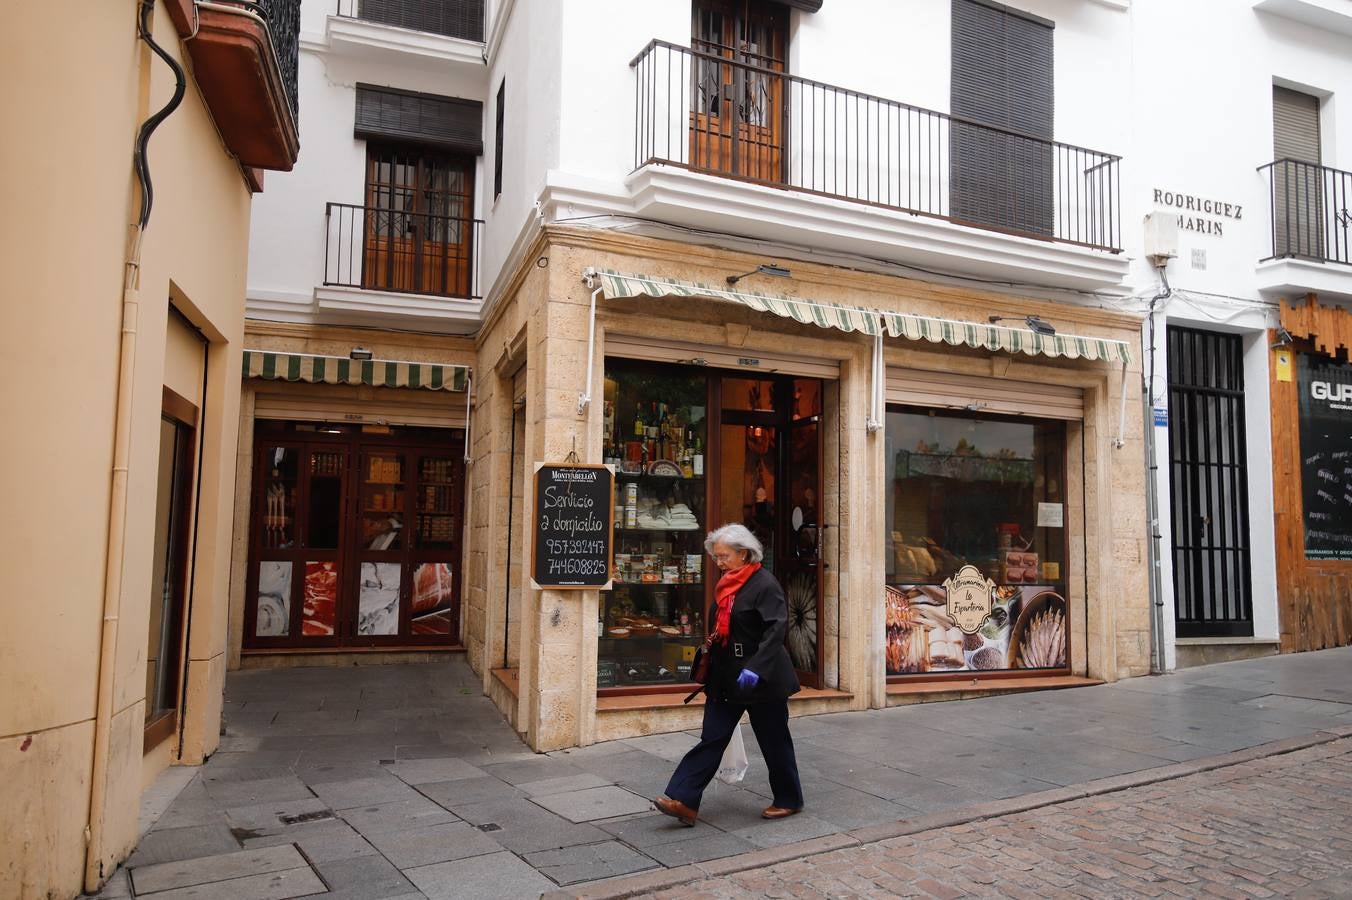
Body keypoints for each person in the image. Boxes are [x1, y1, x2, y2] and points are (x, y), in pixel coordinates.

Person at [654, 523, 804, 826]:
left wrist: (755, 668)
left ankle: (789, 799)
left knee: (774, 740)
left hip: (762, 678)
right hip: (725, 677)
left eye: (723, 556)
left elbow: (775, 631)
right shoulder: (727, 584)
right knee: (712, 738)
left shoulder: (765, 584)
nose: (718, 562)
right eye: (716, 557)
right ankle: (684, 800)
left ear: (744, 554)